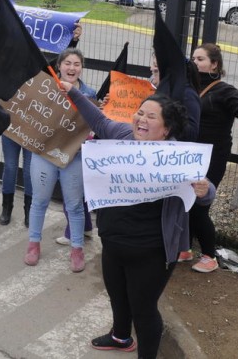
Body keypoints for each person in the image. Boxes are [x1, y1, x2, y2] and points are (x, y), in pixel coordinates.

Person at [61, 84, 214, 359]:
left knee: (143, 309)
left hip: (151, 251)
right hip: (113, 240)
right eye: (140, 113)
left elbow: (205, 191)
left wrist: (205, 190)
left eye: (151, 117)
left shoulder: (177, 156)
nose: (141, 120)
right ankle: (120, 337)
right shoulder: (123, 135)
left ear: (166, 129)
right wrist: (72, 92)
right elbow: (98, 119)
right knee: (118, 298)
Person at [183, 43, 238, 272]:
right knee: (184, 201)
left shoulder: (224, 90)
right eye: (193, 58)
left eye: (200, 59)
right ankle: (185, 248)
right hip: (188, 155)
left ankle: (209, 257)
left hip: (213, 158)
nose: (195, 62)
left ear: (215, 64)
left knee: (200, 206)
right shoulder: (187, 87)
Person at [0, 23, 83, 229]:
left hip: (35, 130)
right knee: (10, 167)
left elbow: (58, 65)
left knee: (29, 171)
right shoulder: (6, 67)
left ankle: (29, 210)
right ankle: (6, 207)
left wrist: (73, 40)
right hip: (12, 127)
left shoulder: (40, 69)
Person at [24, 47, 97, 273]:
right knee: (39, 201)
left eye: (76, 64)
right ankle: (33, 244)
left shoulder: (89, 95)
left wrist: (92, 133)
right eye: (68, 63)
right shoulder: (46, 88)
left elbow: (94, 125)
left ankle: (77, 249)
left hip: (74, 158)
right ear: (59, 66)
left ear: (81, 69)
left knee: (75, 205)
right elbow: (32, 115)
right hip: (45, 155)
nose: (72, 68)